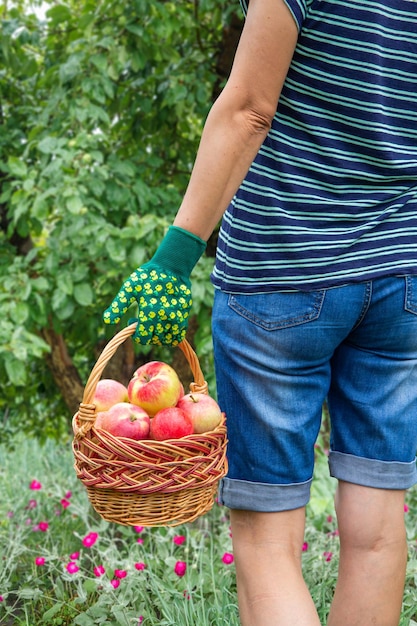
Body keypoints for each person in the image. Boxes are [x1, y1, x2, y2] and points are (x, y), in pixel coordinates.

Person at [103, 0, 417, 623]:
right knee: (378, 530)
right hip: (401, 277)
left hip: (282, 273)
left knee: (265, 539)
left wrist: (172, 258)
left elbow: (249, 108)